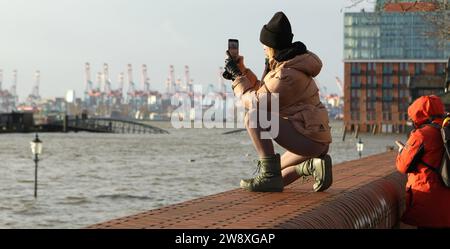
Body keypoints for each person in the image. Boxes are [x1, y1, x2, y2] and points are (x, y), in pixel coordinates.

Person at [222, 11, 332, 192]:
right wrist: (242, 71)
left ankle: (268, 177)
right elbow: (264, 90)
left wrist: (237, 77)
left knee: (254, 117)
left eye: (265, 46)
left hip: (309, 138)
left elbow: (256, 101)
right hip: (317, 139)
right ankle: (311, 166)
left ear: (272, 46)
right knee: (277, 168)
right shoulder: (292, 65)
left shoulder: (285, 75)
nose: (264, 50)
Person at [395, 95, 450, 228]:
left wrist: (402, 151)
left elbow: (402, 166)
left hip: (426, 202)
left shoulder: (422, 135)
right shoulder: (447, 129)